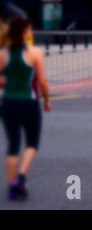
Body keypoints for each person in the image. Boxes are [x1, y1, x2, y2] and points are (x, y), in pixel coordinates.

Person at [0, 16, 52, 200]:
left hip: (8, 103)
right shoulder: (34, 53)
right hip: (28, 102)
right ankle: (21, 177)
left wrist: (8, 81)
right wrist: (46, 100)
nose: (31, 31)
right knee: (32, 142)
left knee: (13, 145)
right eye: (29, 29)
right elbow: (42, 81)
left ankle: (12, 184)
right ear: (24, 31)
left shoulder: (3, 54)